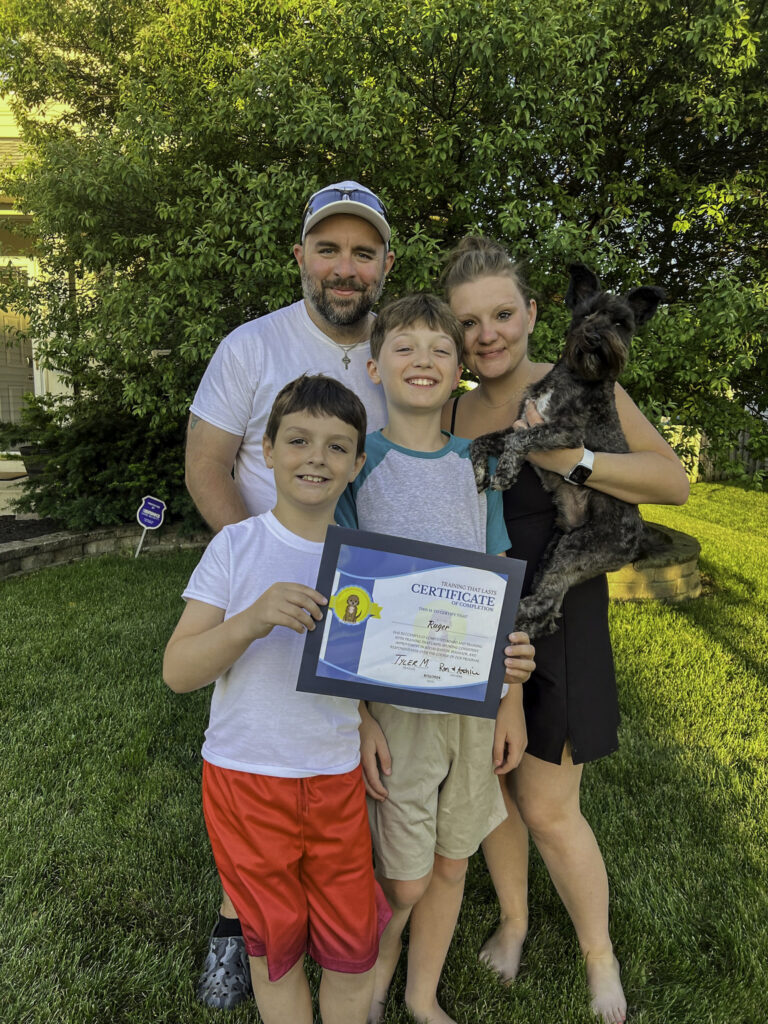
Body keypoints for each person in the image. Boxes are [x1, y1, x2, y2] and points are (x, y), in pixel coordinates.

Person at [439, 236, 690, 1024]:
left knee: (548, 806)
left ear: (533, 314)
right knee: (494, 797)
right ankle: (513, 922)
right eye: (470, 320)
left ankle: (599, 958)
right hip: (479, 617)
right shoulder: (448, 405)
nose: (488, 334)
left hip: (560, 612)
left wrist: (573, 459)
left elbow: (671, 481)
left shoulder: (576, 382)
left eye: (503, 314)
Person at [185, 180, 395, 1007]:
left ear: (383, 265)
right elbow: (207, 465)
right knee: (250, 765)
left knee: (327, 778)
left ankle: (337, 928)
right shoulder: (251, 345)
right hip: (264, 591)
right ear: (302, 256)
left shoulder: (404, 349)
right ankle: (238, 924)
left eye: (363, 252)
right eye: (329, 249)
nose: (345, 268)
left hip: (361, 602)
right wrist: (258, 563)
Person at [164, 374, 392, 1024]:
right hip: (246, 781)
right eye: (298, 440)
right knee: (274, 952)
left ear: (356, 464)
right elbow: (179, 671)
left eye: (336, 446)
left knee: (353, 950)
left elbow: (380, 664)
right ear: (266, 450)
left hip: (335, 777)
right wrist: (251, 620)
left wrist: (494, 665)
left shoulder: (367, 563)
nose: (315, 457)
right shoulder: (235, 547)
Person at [335, 293, 537, 1024]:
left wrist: (510, 699)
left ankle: (421, 996)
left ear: (459, 372)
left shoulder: (475, 468)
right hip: (396, 711)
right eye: (405, 347)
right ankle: (372, 985)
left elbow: (498, 579)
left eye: (440, 350)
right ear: (374, 365)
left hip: (475, 704)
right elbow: (344, 601)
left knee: (453, 861)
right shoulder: (359, 466)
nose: (423, 360)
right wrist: (360, 717)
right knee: (405, 878)